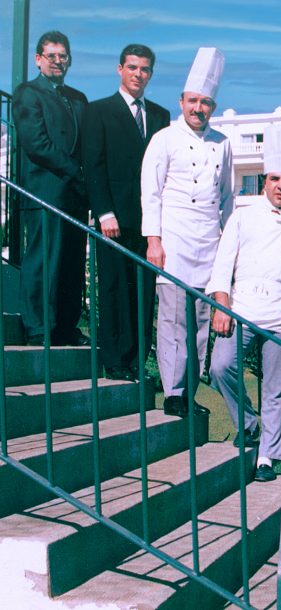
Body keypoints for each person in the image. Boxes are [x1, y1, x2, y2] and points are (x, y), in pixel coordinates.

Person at [208, 124, 281, 483]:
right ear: (264, 181)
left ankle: (268, 458)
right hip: (241, 308)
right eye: (275, 179)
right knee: (220, 367)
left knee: (277, 388)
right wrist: (220, 306)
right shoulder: (243, 214)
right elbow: (223, 263)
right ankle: (250, 423)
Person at [141, 47, 233, 417]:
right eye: (193, 101)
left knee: (199, 324)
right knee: (172, 319)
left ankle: (190, 391)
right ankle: (173, 391)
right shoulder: (164, 138)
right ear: (181, 101)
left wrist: (228, 250)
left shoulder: (223, 143)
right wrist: (154, 240)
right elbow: (151, 190)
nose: (199, 108)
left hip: (208, 242)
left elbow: (227, 198)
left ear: (213, 106)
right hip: (174, 240)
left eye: (206, 102)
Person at [82, 44, 171, 381]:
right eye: (132, 67)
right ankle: (115, 360)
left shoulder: (161, 116)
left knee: (143, 292)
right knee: (115, 288)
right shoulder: (99, 111)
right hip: (114, 220)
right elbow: (94, 165)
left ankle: (137, 361)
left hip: (149, 222)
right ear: (120, 69)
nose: (138, 74)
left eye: (144, 69)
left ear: (151, 74)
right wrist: (104, 212)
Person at [12, 31, 89, 346]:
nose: (59, 61)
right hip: (45, 192)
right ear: (38, 59)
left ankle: (67, 327)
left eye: (64, 56)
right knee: (44, 261)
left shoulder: (78, 98)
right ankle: (38, 327)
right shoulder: (28, 93)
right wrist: (75, 171)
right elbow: (36, 143)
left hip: (75, 194)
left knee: (72, 264)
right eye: (52, 55)